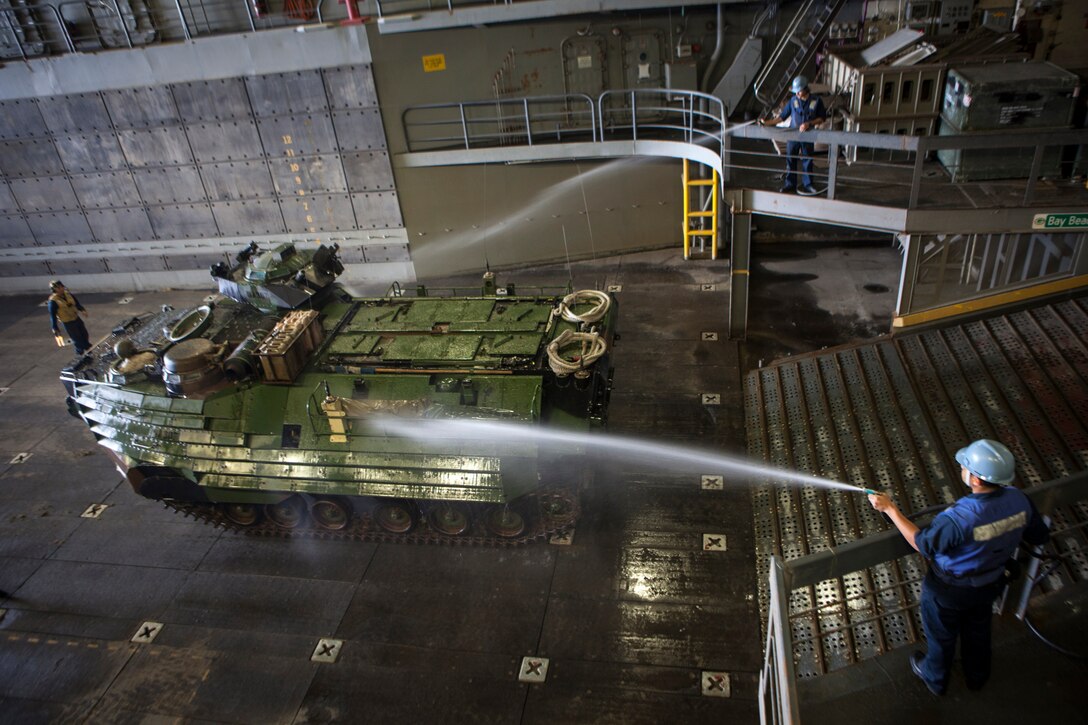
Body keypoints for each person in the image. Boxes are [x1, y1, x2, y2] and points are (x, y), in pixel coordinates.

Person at [868, 439, 1049, 696]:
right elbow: (1039, 536)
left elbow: (923, 544)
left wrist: (890, 509)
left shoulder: (960, 518)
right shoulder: (1020, 500)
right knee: (978, 631)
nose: (962, 468)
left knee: (941, 636)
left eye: (965, 466)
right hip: (990, 583)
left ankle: (934, 678)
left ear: (975, 480)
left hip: (948, 589)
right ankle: (977, 676)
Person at [760, 75, 827, 195]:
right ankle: (790, 184)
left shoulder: (816, 101)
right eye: (795, 92)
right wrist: (767, 123)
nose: (797, 94)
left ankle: (808, 184)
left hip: (808, 136)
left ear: (806, 89)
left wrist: (809, 123)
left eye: (799, 91)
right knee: (791, 160)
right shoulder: (793, 101)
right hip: (793, 136)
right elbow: (782, 117)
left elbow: (822, 118)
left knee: (807, 160)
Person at [47, 279, 92, 356]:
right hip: (68, 322)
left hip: (76, 318)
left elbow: (77, 304)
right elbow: (53, 316)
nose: (61, 289)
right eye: (58, 288)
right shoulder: (53, 301)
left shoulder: (68, 294)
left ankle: (87, 348)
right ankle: (80, 353)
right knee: (77, 338)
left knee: (84, 334)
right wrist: (55, 327)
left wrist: (82, 310)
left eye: (61, 287)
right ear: (54, 289)